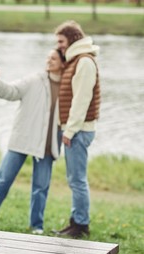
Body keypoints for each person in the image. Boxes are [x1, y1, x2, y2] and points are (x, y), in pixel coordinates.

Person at [0, 49, 65, 234]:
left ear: (63, 63)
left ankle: (36, 225)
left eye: (54, 58)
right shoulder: (34, 80)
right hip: (23, 138)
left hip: (48, 143)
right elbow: (11, 91)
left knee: (41, 187)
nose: (49, 60)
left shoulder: (68, 86)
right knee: (2, 179)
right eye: (48, 57)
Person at [53, 20, 101, 238]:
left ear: (72, 39)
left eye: (61, 41)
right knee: (75, 178)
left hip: (78, 130)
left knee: (77, 179)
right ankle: (76, 221)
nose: (59, 46)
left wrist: (69, 131)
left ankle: (81, 225)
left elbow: (81, 101)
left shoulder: (84, 62)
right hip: (76, 129)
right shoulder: (76, 60)